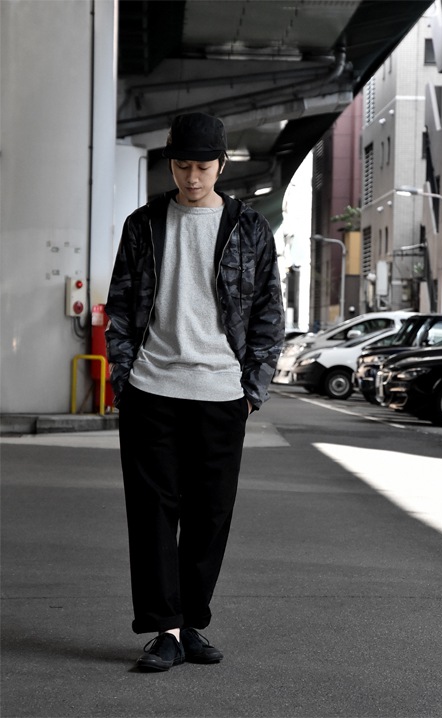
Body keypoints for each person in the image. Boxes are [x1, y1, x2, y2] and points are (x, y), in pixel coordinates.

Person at [105, 112, 284, 672]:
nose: (192, 177)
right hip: (151, 389)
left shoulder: (249, 228)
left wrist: (252, 389)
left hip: (221, 394)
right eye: (182, 165)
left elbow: (268, 313)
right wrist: (124, 380)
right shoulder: (143, 224)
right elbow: (120, 306)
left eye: (203, 166)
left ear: (222, 164)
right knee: (153, 514)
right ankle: (165, 630)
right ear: (171, 163)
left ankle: (191, 623)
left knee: (210, 515)